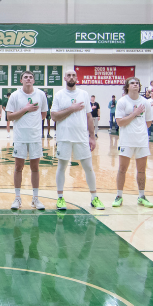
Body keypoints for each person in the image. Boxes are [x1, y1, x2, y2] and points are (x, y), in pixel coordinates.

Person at [51, 69, 103, 210]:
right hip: (64, 137)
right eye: (69, 75)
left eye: (74, 75)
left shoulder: (84, 94)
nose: (71, 77)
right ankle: (60, 198)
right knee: (61, 167)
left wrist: (92, 137)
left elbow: (88, 117)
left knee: (88, 168)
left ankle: (94, 198)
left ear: (77, 77)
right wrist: (72, 108)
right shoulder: (59, 95)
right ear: (64, 78)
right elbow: (54, 116)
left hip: (81, 137)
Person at [6, 71, 48, 210]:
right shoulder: (15, 95)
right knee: (18, 167)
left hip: (35, 136)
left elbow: (43, 114)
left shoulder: (41, 95)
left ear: (34, 81)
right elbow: (9, 117)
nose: (28, 79)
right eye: (26, 77)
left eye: (30, 77)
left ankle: (35, 199)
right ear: (21, 80)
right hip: (20, 137)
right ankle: (17, 198)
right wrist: (25, 109)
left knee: (35, 168)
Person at [113, 77, 153, 208]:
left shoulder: (145, 102)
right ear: (127, 86)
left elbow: (148, 122)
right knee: (122, 169)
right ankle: (119, 196)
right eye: (132, 83)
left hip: (142, 141)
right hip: (126, 140)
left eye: (137, 83)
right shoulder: (122, 102)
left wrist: (138, 130)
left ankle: (141, 196)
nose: (135, 85)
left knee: (141, 170)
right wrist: (135, 114)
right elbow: (120, 122)